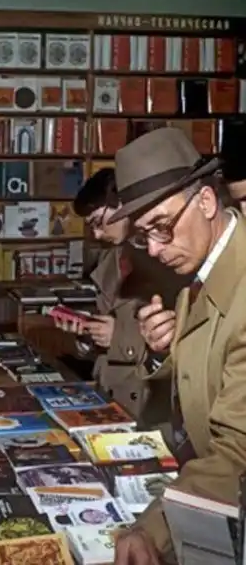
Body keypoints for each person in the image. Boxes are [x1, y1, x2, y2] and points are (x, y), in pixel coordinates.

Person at [106, 128, 246, 564]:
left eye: (162, 227)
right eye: (143, 235)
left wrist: (151, 530)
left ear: (205, 201)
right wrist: (161, 353)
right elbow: (202, 381)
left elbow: (237, 454)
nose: (154, 249)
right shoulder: (198, 274)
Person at [56, 168, 180, 421]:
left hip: (150, 399)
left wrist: (119, 336)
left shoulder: (167, 256)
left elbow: (179, 331)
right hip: (112, 393)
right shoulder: (111, 259)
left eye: (98, 223)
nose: (96, 234)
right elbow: (109, 329)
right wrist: (88, 335)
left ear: (123, 205)